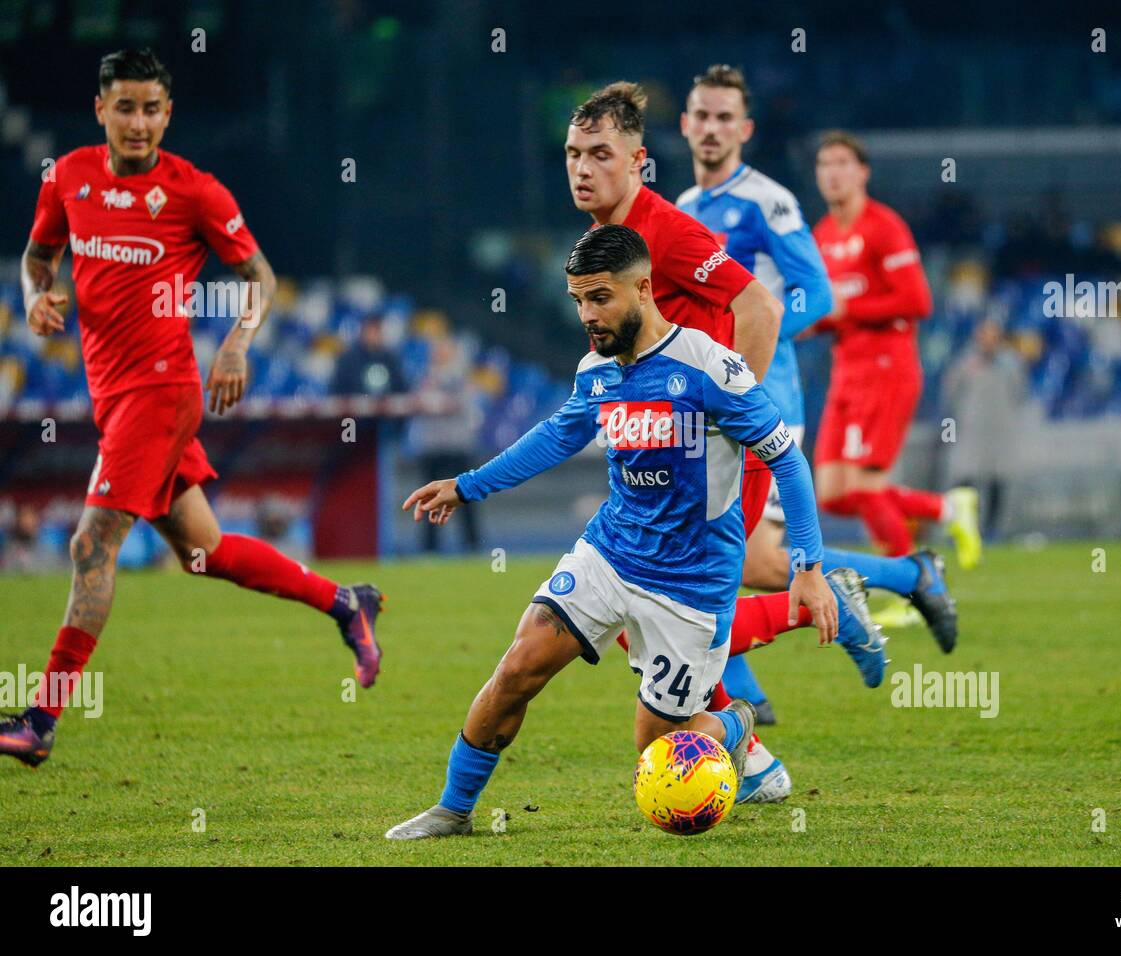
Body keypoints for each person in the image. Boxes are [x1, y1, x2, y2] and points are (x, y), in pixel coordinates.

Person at [385, 225, 864, 839]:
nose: (588, 314)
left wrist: (808, 566)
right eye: (579, 299)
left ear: (643, 288)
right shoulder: (597, 370)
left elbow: (787, 461)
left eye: (600, 298)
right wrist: (467, 485)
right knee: (519, 666)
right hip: (610, 554)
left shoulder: (710, 366)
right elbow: (559, 433)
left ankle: (736, 723)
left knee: (656, 750)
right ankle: (453, 809)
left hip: (690, 586)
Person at [1, 49, 383, 769]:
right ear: (101, 110)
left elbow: (259, 278)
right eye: (126, 107)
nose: (139, 122)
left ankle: (40, 719)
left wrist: (237, 345)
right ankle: (344, 601)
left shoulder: (195, 192)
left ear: (167, 113)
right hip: (112, 396)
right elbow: (35, 256)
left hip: (161, 392)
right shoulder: (68, 178)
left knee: (89, 548)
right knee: (205, 554)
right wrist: (33, 296)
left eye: (152, 109)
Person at [563, 82, 889, 806]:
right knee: (660, 611)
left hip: (717, 442)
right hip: (672, 446)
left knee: (672, 604)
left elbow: (770, 303)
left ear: (636, 161)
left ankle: (820, 606)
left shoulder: (691, 220)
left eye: (599, 155)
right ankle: (758, 758)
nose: (582, 168)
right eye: (574, 155)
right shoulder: (657, 220)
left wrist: (733, 401)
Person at [675, 66, 957, 761]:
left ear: (744, 130)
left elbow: (816, 295)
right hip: (711, 399)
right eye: (700, 115)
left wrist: (755, 344)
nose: (711, 128)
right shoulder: (684, 203)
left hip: (765, 397)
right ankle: (907, 577)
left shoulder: (767, 203)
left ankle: (741, 690)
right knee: (744, 557)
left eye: (724, 118)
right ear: (685, 124)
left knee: (716, 553)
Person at [808, 131, 982, 566]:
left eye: (843, 163)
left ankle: (912, 586)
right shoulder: (823, 234)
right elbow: (827, 309)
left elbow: (918, 301)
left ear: (863, 172)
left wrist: (849, 308)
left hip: (886, 366)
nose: (833, 173)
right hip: (845, 370)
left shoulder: (884, 226)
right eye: (825, 164)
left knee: (866, 487)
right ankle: (946, 509)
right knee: (831, 494)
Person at [940, 316, 1028, 538]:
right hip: (971, 430)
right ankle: (963, 527)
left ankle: (993, 532)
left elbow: (1020, 394)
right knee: (965, 480)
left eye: (993, 335)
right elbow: (950, 394)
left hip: (1000, 431)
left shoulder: (1010, 364)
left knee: (998, 480)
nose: (988, 340)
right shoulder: (965, 363)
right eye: (984, 334)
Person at [329, 314, 409, 396]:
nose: (373, 335)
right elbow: (337, 390)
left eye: (376, 330)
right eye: (370, 330)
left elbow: (402, 389)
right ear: (362, 332)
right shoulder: (349, 359)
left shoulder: (391, 359)